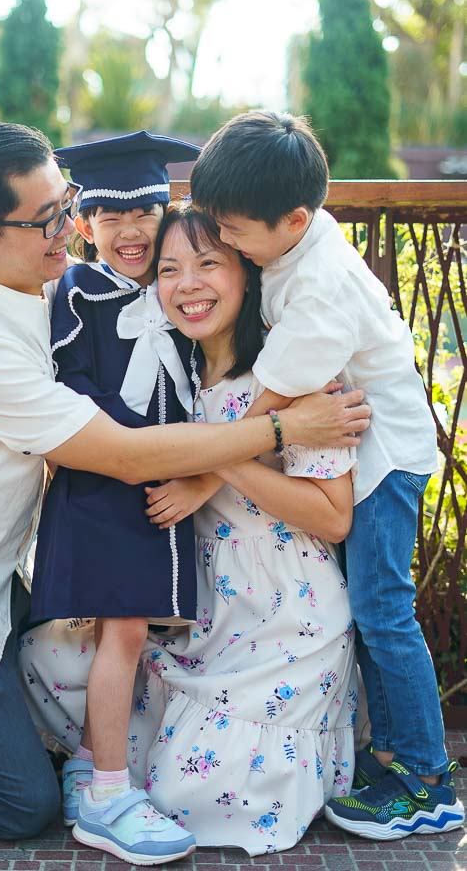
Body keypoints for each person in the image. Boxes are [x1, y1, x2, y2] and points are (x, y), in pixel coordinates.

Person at [0, 122, 370, 839]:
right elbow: (127, 456)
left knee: (72, 696)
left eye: (66, 203)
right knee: (17, 804)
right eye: (46, 219)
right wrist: (286, 430)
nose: (69, 227)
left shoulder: (46, 290)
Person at [21, 203, 360, 857]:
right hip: (193, 601)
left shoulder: (290, 378)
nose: (187, 284)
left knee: (197, 795)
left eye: (208, 264)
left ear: (246, 271)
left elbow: (332, 516)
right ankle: (100, 776)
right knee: (48, 659)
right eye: (168, 269)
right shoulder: (166, 375)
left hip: (282, 608)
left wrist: (218, 457)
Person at [189, 110, 464, 840]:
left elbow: (263, 405)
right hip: (361, 457)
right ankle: (390, 755)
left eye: (234, 231)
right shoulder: (296, 241)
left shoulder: (321, 290)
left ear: (294, 218)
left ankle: (427, 782)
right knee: (372, 611)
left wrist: (195, 464)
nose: (223, 243)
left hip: (382, 465)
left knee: (381, 611)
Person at [31, 132, 202, 865]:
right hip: (103, 491)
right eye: (109, 215)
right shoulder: (75, 292)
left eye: (145, 212)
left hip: (164, 495)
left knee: (145, 639)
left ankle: (95, 768)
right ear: (83, 223)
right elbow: (70, 391)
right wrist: (149, 449)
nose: (129, 231)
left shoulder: (179, 288)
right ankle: (106, 791)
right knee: (123, 633)